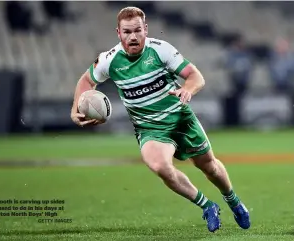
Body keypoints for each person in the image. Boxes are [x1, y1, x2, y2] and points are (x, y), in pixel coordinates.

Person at [71, 7, 250, 232]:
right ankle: (207, 206)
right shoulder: (109, 60)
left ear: (146, 29)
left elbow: (195, 76)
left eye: (137, 30)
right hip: (149, 127)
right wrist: (75, 108)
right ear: (118, 33)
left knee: (210, 168)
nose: (133, 36)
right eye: (127, 32)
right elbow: (86, 81)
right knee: (159, 166)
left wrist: (187, 89)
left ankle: (234, 202)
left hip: (180, 119)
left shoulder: (160, 50)